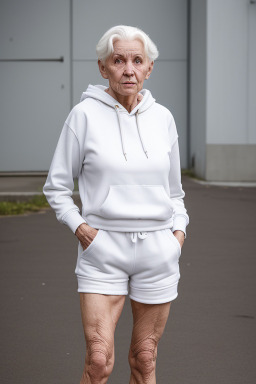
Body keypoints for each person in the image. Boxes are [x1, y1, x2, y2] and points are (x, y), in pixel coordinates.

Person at [43, 25, 189, 384]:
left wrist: (178, 234)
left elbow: (175, 192)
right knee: (98, 360)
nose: (128, 69)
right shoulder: (83, 116)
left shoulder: (163, 118)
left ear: (149, 68)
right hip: (103, 248)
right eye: (118, 60)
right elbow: (56, 186)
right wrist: (81, 228)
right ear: (102, 67)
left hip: (158, 248)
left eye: (137, 61)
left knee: (145, 358)